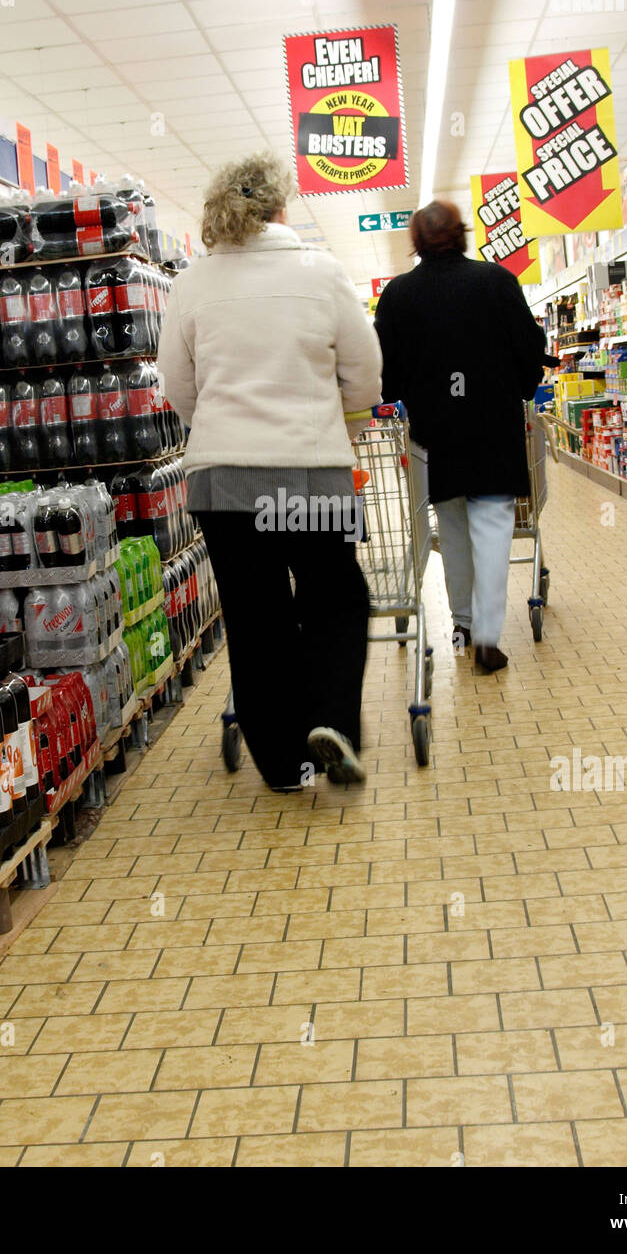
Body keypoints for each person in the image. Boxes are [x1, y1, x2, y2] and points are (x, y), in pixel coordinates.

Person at [157, 152, 382, 790]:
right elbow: (365, 374)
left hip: (223, 481)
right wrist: (346, 423)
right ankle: (333, 721)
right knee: (336, 596)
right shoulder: (322, 271)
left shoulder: (193, 282)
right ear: (282, 208)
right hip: (312, 474)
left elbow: (178, 386)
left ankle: (284, 767)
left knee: (257, 619)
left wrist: (225, 427)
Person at [374, 200, 546, 673]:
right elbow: (531, 349)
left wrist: (410, 391)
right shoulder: (496, 281)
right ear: (462, 234)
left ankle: (463, 624)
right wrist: (521, 383)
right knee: (491, 527)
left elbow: (386, 376)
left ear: (417, 242)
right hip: (494, 429)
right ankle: (488, 638)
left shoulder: (398, 295)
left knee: (451, 530)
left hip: (436, 435)